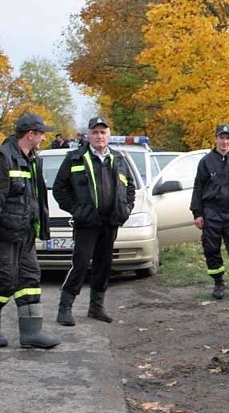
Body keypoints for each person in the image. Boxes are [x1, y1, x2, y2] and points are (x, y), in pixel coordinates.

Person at [54, 116, 135, 326]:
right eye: (95, 132)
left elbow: (130, 188)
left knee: (104, 265)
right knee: (80, 264)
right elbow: (60, 189)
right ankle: (65, 307)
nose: (99, 136)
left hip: (110, 222)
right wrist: (77, 210)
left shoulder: (118, 159)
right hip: (86, 223)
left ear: (109, 135)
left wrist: (126, 209)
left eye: (103, 132)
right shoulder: (75, 158)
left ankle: (96, 307)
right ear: (88, 135)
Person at [0, 113, 61, 349]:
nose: (44, 138)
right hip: (5, 235)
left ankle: (31, 333)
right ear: (30, 134)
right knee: (5, 281)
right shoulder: (4, 158)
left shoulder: (32, 158)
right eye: (41, 133)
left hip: (25, 233)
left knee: (30, 278)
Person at [190, 124, 229, 300]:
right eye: (221, 137)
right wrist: (197, 213)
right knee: (211, 249)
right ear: (216, 139)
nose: (224, 141)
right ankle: (218, 283)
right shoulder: (206, 162)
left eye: (228, 138)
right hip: (212, 212)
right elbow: (198, 188)